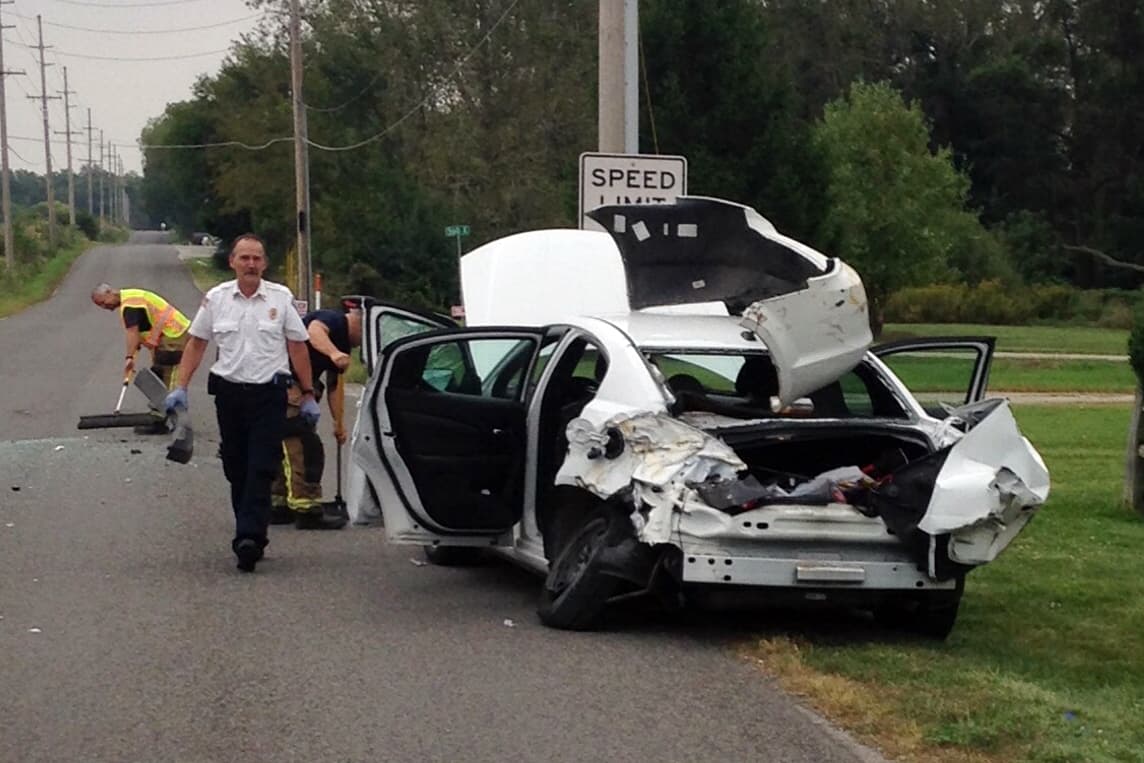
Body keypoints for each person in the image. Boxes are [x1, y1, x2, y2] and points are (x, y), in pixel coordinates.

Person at [164, 234, 319, 573]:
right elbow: (196, 343)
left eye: (257, 259)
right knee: (236, 466)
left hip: (269, 395)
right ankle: (249, 530)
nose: (251, 264)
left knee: (262, 465)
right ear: (232, 261)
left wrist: (307, 394)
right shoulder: (217, 299)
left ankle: (249, 537)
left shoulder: (280, 298)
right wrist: (181, 387)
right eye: (244, 258)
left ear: (264, 264)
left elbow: (297, 347)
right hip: (230, 395)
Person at [270, 299, 364, 529]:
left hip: (301, 388)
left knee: (284, 445)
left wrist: (339, 423)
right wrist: (334, 353)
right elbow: (313, 332)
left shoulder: (345, 343)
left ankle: (279, 504)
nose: (363, 342)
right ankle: (306, 508)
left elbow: (334, 386)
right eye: (365, 335)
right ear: (359, 322)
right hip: (287, 381)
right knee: (301, 446)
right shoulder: (333, 320)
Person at [91, 284, 191, 434]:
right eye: (101, 306)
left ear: (110, 292)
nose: (106, 308)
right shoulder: (131, 298)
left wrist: (129, 357)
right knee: (158, 374)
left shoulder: (130, 305)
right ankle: (161, 417)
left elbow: (132, 332)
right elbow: (142, 328)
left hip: (174, 334)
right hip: (170, 334)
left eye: (104, 303)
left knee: (168, 377)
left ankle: (174, 421)